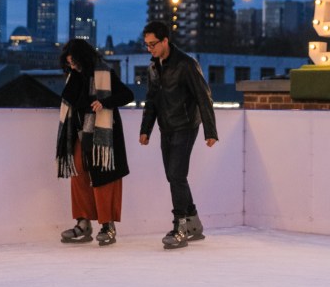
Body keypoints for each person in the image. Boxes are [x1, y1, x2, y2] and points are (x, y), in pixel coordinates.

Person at [139, 21, 218, 249]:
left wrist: (210, 131)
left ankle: (180, 227)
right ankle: (194, 223)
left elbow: (204, 97)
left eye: (153, 44)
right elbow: (151, 99)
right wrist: (146, 129)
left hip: (185, 125)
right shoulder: (154, 67)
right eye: (147, 45)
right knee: (174, 176)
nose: (150, 49)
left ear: (165, 41)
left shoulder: (186, 64)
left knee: (176, 174)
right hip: (166, 126)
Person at [56, 39, 134, 246]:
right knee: (79, 174)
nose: (72, 67)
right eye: (69, 63)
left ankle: (107, 225)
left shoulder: (103, 73)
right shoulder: (73, 77)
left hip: (103, 137)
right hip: (81, 134)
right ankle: (83, 222)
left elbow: (128, 95)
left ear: (83, 58)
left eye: (75, 63)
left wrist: (105, 102)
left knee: (104, 178)